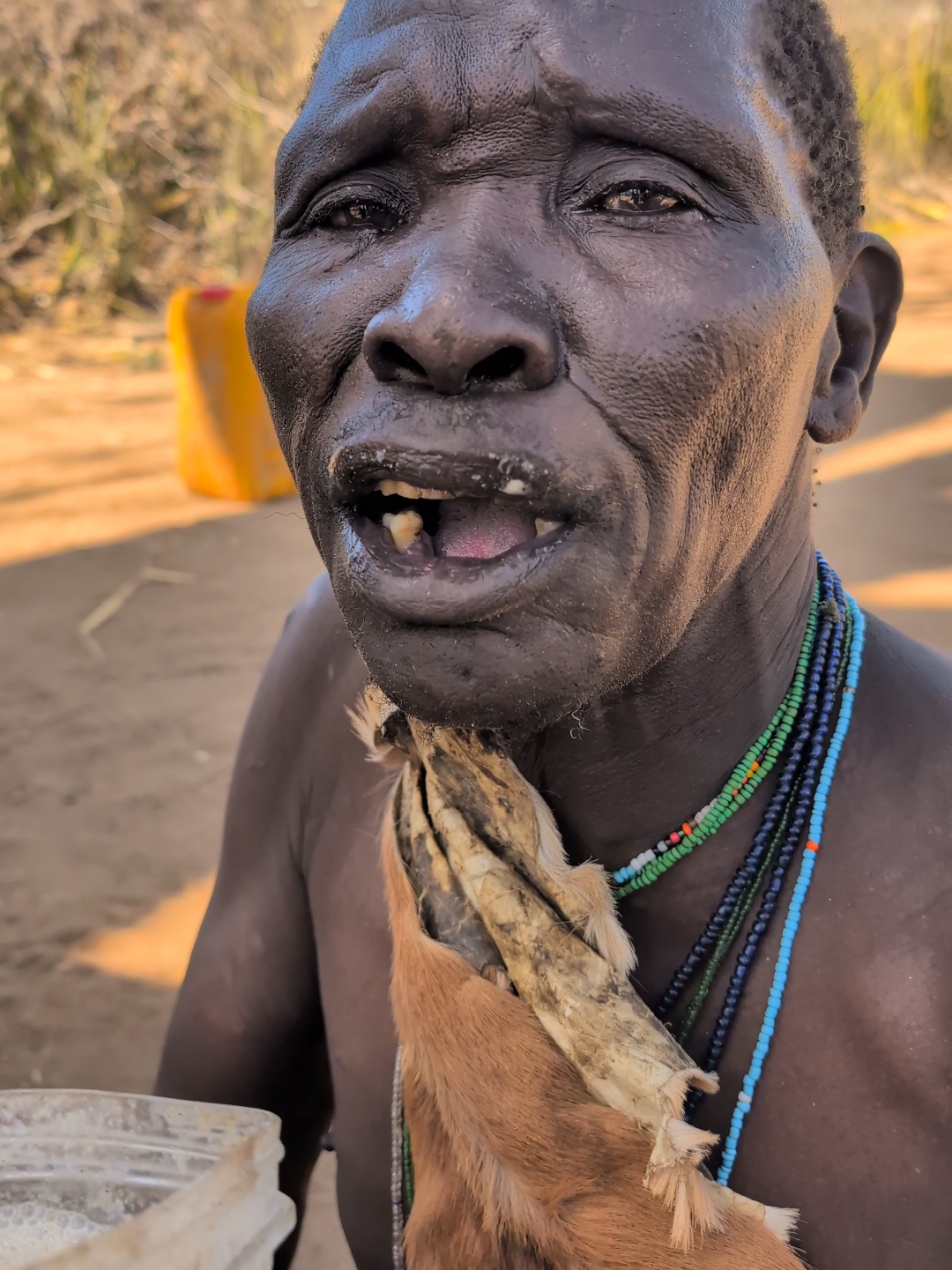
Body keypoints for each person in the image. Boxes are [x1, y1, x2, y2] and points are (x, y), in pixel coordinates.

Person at [155, 0, 952, 1266]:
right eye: (352, 207)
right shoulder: (334, 690)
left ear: (838, 349)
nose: (442, 315)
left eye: (636, 197)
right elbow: (171, 1212)